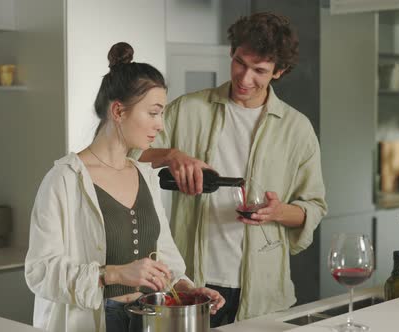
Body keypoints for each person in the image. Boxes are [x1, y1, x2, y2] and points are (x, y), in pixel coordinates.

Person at [139, 12, 327, 326]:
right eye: (240, 62)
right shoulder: (187, 110)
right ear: (231, 52)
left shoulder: (297, 129)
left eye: (260, 70)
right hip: (191, 283)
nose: (245, 78)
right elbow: (125, 158)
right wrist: (170, 154)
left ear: (278, 72)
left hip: (264, 292)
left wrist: (278, 212)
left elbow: (314, 207)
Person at [25, 42, 224, 332]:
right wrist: (113, 274)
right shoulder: (65, 180)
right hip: (95, 322)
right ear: (119, 111)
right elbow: (39, 272)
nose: (160, 126)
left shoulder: (144, 175)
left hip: (146, 319)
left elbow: (163, 255)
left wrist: (185, 289)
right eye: (154, 113)